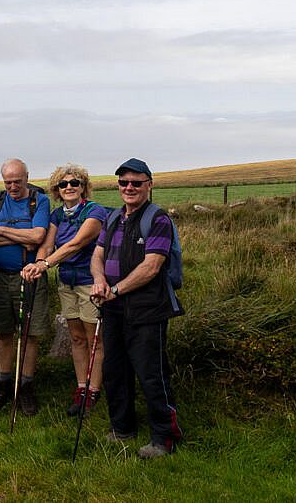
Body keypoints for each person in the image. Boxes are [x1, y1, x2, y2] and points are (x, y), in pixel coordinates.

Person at [91, 158, 184, 459]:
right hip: (114, 308)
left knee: (151, 374)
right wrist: (99, 281)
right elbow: (98, 254)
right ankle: (122, 428)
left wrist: (115, 290)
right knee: (114, 370)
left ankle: (164, 438)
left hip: (147, 309)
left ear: (149, 185)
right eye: (123, 182)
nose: (129, 187)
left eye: (136, 182)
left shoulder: (157, 220)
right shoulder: (113, 218)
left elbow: (152, 266)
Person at [22, 164, 108, 417]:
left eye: (75, 183)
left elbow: (76, 243)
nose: (69, 187)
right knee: (77, 337)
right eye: (63, 184)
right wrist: (37, 264)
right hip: (66, 282)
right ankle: (81, 388)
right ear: (57, 190)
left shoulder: (95, 211)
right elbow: (48, 244)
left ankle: (94, 390)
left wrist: (46, 264)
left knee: (95, 340)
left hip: (89, 282)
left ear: (84, 188)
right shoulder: (58, 215)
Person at [0, 158, 50, 416]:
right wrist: (19, 235)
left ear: (27, 177)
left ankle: (27, 388)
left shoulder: (39, 201)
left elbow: (38, 237)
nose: (12, 186)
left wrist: (2, 231)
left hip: (30, 276)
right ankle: (4, 386)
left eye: (17, 181)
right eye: (8, 181)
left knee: (30, 334)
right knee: (3, 333)